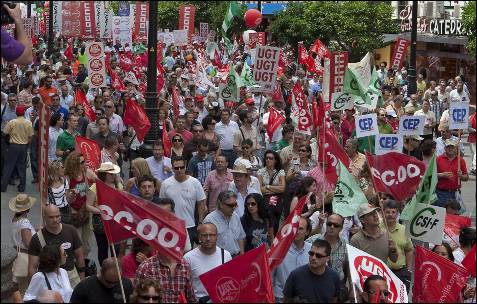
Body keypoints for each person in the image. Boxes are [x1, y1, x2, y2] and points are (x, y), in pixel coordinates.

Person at [28, 205, 85, 289]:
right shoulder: (37, 238)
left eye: (57, 216)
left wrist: (82, 279)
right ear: (44, 218)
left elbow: (80, 256)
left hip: (71, 276)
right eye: (51, 217)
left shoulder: (71, 230)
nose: (55, 220)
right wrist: (33, 287)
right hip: (48, 278)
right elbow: (32, 266)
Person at [160, 155, 207, 246]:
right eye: (176, 168)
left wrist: (201, 222)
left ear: (185, 167)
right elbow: (162, 206)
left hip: (190, 226)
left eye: (182, 167)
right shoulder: (165, 184)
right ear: (172, 168)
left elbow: (201, 203)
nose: (179, 170)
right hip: (171, 226)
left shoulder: (195, 182)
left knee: (187, 255)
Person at [86, 162, 123, 265]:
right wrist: (100, 211)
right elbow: (88, 205)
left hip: (115, 221)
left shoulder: (118, 185)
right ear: (104, 174)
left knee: (115, 249)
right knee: (102, 249)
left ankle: (115, 269)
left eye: (114, 173)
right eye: (110, 174)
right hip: (100, 222)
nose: (113, 176)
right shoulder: (94, 187)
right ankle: (104, 270)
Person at [184, 223, 233, 302]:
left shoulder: (226, 255)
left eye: (212, 235)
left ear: (217, 237)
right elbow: (185, 286)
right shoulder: (188, 258)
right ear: (199, 237)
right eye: (204, 235)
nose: (208, 238)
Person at [306, 213, 348, 300]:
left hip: (337, 286)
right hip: (315, 284)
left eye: (336, 225)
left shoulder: (345, 244)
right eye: (329, 224)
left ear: (341, 228)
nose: (332, 227)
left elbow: (347, 267)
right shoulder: (313, 241)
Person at [273, 217, 312, 302]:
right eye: (294, 227)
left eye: (300, 228)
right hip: (281, 298)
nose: (296, 230)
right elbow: (270, 274)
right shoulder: (279, 249)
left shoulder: (312, 251)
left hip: (303, 299)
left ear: (307, 232)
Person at [1, 104, 33, 193]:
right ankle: (22, 187)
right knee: (22, 167)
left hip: (13, 146)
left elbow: (4, 133)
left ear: (16, 112)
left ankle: (3, 187)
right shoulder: (28, 122)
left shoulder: (12, 122)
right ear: (23, 113)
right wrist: (27, 146)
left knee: (8, 166)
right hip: (23, 146)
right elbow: (31, 137)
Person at [382, 200, 413, 291]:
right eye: (387, 212)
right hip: (381, 272)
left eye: (393, 212)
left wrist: (408, 270)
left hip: (401, 273)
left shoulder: (404, 229)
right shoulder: (377, 229)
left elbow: (409, 250)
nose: (390, 214)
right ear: (382, 212)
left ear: (397, 214)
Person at [203, 190, 246, 257]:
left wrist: (242, 255)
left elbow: (240, 237)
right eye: (231, 205)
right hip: (219, 259)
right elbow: (206, 244)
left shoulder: (235, 216)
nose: (234, 208)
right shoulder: (209, 220)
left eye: (235, 204)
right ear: (220, 204)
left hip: (236, 257)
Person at [10, 193, 37, 294]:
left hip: (17, 254)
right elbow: (29, 243)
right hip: (24, 258)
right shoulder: (24, 222)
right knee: (24, 289)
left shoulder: (15, 219)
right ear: (28, 209)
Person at [257, 149, 286, 234]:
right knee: (268, 211)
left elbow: (282, 189)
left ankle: (273, 234)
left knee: (273, 210)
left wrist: (267, 186)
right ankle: (269, 234)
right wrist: (275, 188)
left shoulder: (280, 172)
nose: (268, 160)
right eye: (266, 158)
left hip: (276, 198)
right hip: (264, 198)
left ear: (275, 160)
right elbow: (259, 189)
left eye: (270, 158)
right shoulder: (260, 171)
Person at [435, 138, 469, 207]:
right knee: (440, 215)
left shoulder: (461, 161)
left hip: (454, 193)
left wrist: (461, 176)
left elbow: (466, 177)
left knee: (453, 216)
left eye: (452, 147)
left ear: (456, 148)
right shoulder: (438, 159)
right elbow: (431, 175)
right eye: (448, 147)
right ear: (445, 148)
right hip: (440, 193)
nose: (450, 149)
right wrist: (441, 175)